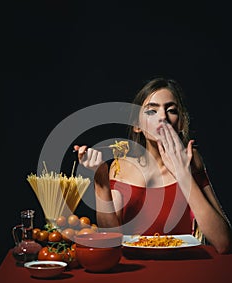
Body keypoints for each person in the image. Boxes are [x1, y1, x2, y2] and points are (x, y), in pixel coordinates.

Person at [74, 77, 232, 254]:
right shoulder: (121, 166)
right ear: (137, 125)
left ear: (180, 123)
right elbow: (111, 239)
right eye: (151, 111)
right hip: (134, 270)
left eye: (171, 110)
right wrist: (101, 181)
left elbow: (224, 242)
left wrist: (183, 173)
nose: (163, 117)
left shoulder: (190, 159)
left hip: (185, 268)